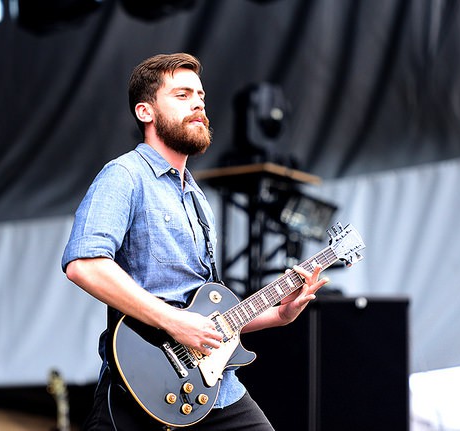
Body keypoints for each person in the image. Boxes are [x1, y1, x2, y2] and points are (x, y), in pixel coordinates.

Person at [61, 52, 328, 431]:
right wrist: (174, 322)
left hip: (215, 390)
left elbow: (205, 316)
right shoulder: (124, 176)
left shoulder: (197, 197)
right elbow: (83, 265)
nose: (199, 104)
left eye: (201, 96)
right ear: (145, 112)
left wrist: (279, 315)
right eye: (183, 95)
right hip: (145, 386)